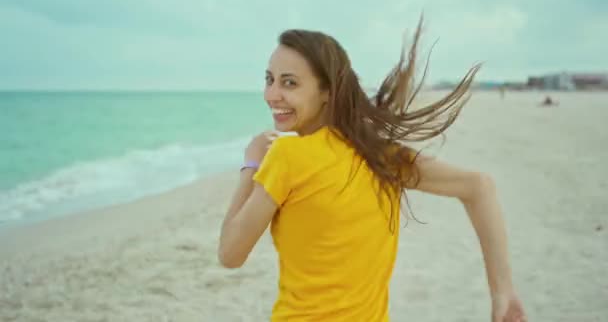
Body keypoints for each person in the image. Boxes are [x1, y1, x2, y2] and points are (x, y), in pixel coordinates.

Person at [218, 17, 527, 322]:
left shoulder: (287, 155)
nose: (272, 94)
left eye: (290, 83)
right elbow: (479, 187)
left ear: (327, 90)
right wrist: (502, 292)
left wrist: (252, 163)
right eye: (269, 79)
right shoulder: (380, 155)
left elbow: (230, 254)